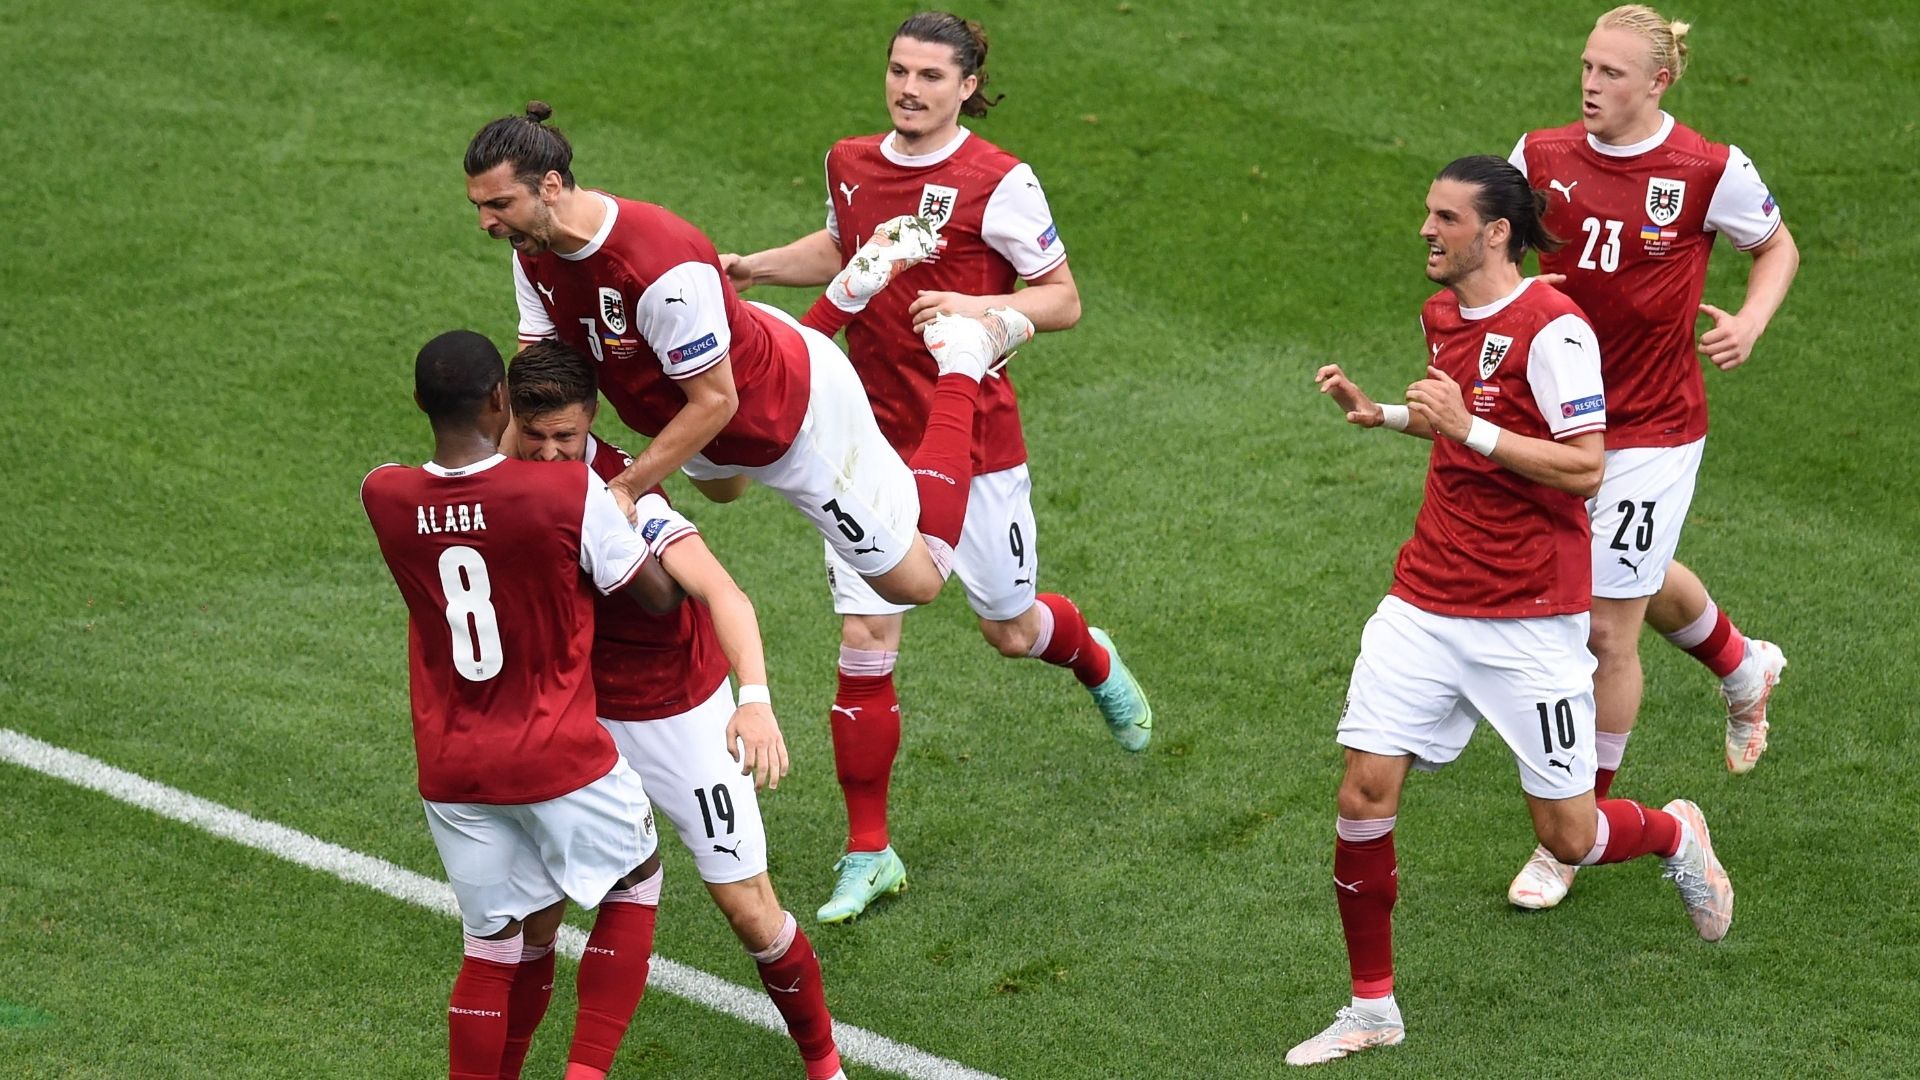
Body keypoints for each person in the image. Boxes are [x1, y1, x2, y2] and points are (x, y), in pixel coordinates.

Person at [1286, 158, 1733, 1067]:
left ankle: (1674, 832)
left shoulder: (1555, 329)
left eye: (1445, 218)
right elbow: (1457, 417)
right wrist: (1386, 414)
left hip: (1529, 616)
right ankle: (1372, 1007)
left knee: (1570, 833)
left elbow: (1586, 467)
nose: (1426, 230)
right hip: (1424, 598)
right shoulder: (1441, 314)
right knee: (1362, 792)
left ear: (1496, 232)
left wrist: (1468, 429)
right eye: (1428, 214)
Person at [723, 10, 1153, 924]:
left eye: (929, 76)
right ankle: (868, 850)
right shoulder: (849, 160)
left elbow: (1064, 300)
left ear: (967, 86)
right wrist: (754, 267)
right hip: (866, 442)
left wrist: (974, 305)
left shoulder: (998, 180)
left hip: (975, 439)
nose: (909, 89)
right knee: (865, 637)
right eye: (898, 71)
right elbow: (840, 247)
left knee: (1011, 629)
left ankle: (1092, 656)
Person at [463, 101, 1033, 617]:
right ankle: (847, 293)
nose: (486, 222)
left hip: (791, 419)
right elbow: (539, 385)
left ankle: (963, 359)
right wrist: (493, 483)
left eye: (499, 204)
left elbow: (717, 401)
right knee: (724, 488)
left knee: (916, 582)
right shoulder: (531, 249)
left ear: (551, 186)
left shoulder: (657, 267)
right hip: (708, 387)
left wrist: (626, 488)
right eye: (480, 206)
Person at [1502, 4, 1800, 911]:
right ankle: (1741, 664)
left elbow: (1776, 246)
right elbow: (1494, 249)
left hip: (1653, 432)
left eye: (1612, 73)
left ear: (1659, 82)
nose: (1590, 84)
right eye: (1587, 66)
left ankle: (1572, 833)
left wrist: (1751, 321)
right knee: (1629, 571)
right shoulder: (1539, 155)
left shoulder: (1708, 169)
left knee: (1604, 628)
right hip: (1558, 423)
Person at [502, 340, 846, 1080]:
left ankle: (825, 1065)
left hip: (676, 713)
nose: (551, 453)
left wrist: (755, 701)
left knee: (749, 909)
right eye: (535, 437)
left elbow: (724, 594)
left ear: (591, 420)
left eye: (566, 436)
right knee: (533, 913)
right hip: (581, 715)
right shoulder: (505, 476)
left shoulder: (628, 494)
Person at [360, 330, 679, 1080]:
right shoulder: (568, 492)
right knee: (636, 882)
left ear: (419, 402)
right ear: (501, 400)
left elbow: (460, 514)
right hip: (557, 753)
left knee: (493, 947)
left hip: (453, 770)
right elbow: (658, 598)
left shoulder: (383, 494)